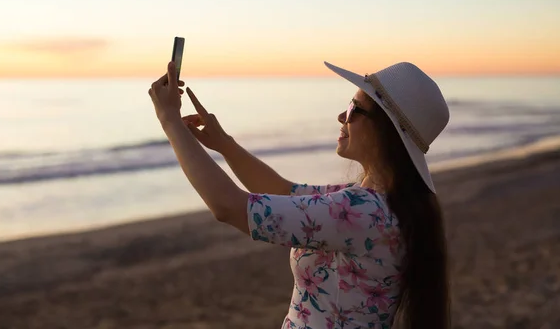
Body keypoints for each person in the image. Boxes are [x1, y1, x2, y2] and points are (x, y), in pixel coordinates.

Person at [149, 60, 451, 329]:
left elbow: (228, 207)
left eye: (353, 109)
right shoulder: (374, 201)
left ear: (386, 131)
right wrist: (224, 143)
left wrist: (170, 121)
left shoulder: (364, 210)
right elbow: (284, 191)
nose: (340, 116)